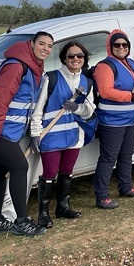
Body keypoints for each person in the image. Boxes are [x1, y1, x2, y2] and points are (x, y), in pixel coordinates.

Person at [0, 31, 53, 237]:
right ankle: (21, 221)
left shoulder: (33, 67)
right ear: (31, 44)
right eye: (42, 43)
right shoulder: (17, 66)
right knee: (19, 167)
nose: (46, 48)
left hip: (5, 129)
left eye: (50, 46)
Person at [29, 41, 96, 227]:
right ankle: (43, 213)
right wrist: (35, 133)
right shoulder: (51, 78)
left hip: (74, 135)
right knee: (49, 173)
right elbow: (38, 108)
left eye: (79, 56)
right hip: (50, 135)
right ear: (64, 59)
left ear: (84, 59)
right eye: (71, 56)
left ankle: (63, 207)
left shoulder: (87, 82)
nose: (75, 59)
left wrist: (78, 107)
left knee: (67, 172)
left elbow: (90, 110)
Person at [92, 30, 134, 209]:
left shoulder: (130, 63)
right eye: (117, 45)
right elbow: (106, 91)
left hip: (131, 117)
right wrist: (131, 97)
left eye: (124, 45)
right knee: (108, 158)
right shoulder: (105, 66)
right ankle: (101, 196)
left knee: (126, 155)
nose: (121, 48)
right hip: (111, 120)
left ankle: (125, 187)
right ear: (110, 46)